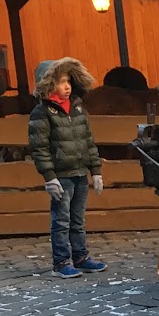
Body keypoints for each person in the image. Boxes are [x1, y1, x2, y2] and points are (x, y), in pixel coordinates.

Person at [28, 58, 107, 278]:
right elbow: (39, 147)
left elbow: (88, 140)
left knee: (78, 220)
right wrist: (49, 177)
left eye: (68, 81)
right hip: (62, 176)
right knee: (61, 221)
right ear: (49, 84)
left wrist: (96, 171)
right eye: (61, 82)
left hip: (80, 173)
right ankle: (61, 261)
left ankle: (81, 256)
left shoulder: (78, 108)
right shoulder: (42, 113)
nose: (67, 86)